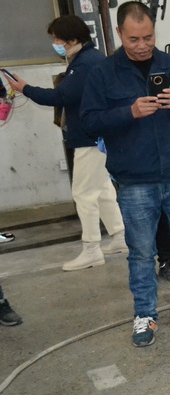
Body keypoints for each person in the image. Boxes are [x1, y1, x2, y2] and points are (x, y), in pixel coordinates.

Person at [80, 1, 170, 348]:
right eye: (134, 39)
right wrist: (128, 112)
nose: (142, 45)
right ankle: (145, 313)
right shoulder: (103, 73)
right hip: (135, 180)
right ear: (119, 33)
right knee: (141, 252)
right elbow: (88, 123)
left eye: (148, 37)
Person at [2, 16, 126, 271]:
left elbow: (61, 96)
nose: (56, 44)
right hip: (97, 137)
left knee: (83, 193)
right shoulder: (86, 59)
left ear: (72, 39)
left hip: (91, 139)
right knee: (102, 189)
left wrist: (25, 88)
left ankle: (91, 249)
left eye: (58, 39)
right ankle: (120, 237)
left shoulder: (86, 64)